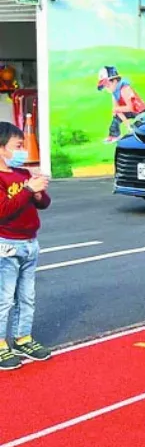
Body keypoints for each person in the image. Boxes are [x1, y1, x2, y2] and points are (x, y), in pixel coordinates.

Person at [0, 121, 51, 370]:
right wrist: (28, 190)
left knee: (26, 296)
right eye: (18, 146)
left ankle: (22, 338)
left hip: (30, 242)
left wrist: (38, 193)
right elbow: (3, 210)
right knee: (4, 297)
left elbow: (43, 203)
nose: (22, 151)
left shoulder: (21, 174)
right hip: (6, 243)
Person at [97, 66, 145, 143]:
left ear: (115, 81)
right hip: (127, 110)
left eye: (108, 85)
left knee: (141, 125)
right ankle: (114, 135)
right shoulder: (114, 93)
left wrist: (116, 109)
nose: (106, 88)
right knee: (115, 119)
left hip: (139, 110)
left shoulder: (125, 89)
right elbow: (117, 111)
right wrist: (127, 125)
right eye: (105, 86)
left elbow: (130, 107)